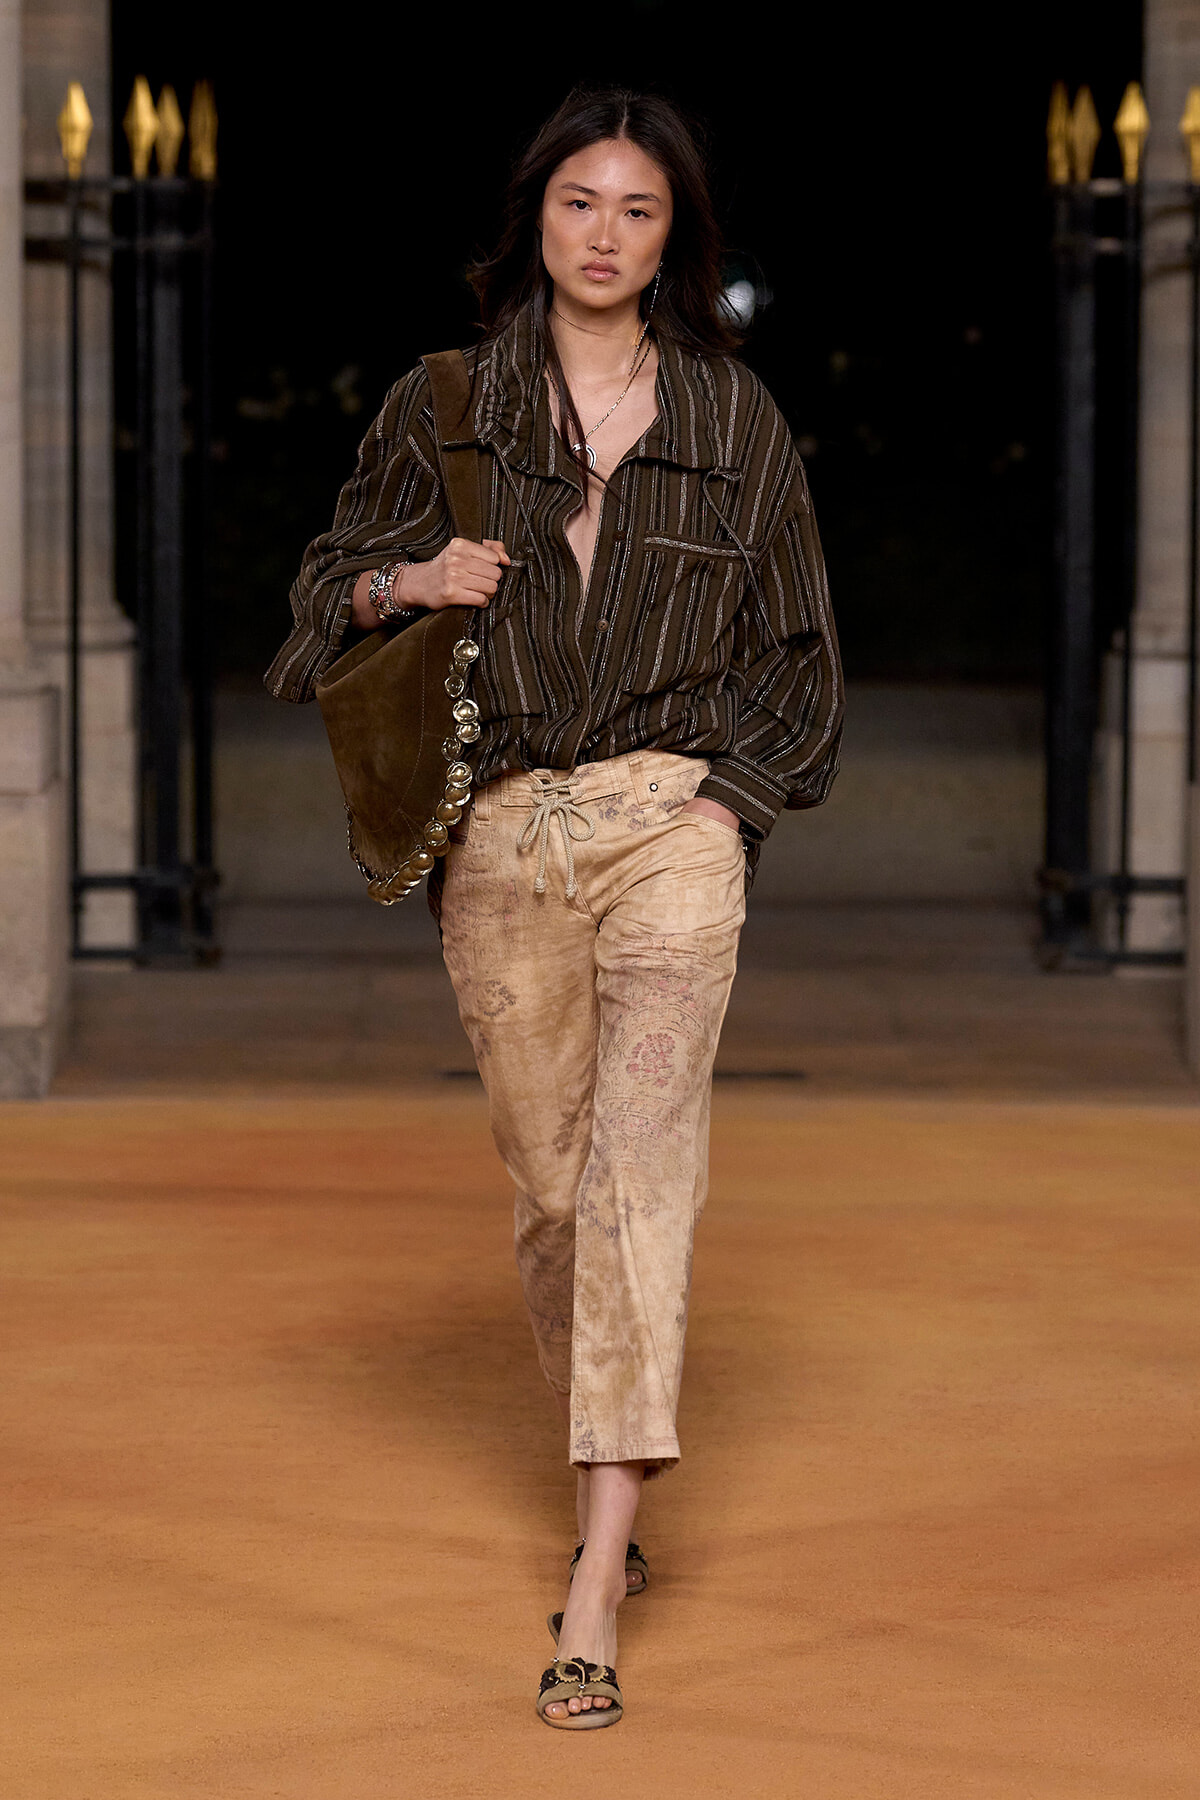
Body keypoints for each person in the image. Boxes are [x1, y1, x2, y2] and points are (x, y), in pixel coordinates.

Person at [267, 85, 843, 1730]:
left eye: (639, 209)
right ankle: (609, 1459)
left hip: (672, 821)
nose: (606, 234)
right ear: (538, 219)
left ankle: (597, 1569)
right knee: (550, 1184)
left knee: (642, 1172)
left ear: (678, 237)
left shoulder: (735, 420)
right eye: (580, 203)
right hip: (506, 837)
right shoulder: (441, 403)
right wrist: (410, 577)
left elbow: (802, 657)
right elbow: (315, 610)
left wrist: (727, 814)